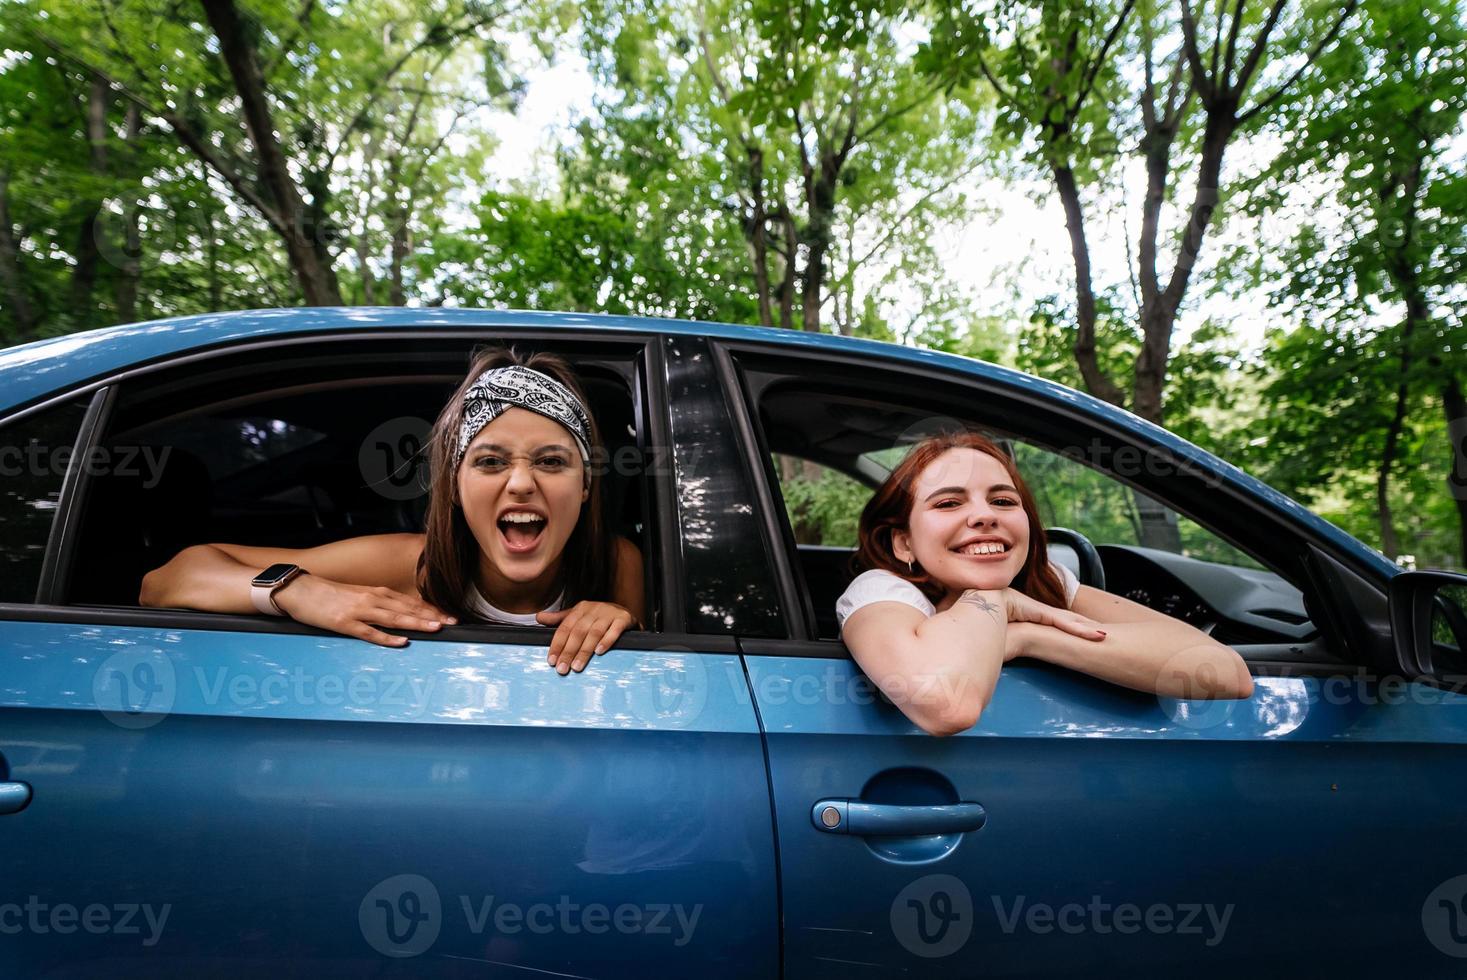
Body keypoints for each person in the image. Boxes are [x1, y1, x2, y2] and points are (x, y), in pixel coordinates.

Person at [140, 347, 645, 674]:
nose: (520, 483)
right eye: (490, 461)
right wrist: (295, 590)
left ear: (584, 488)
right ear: (453, 487)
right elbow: (167, 580)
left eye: (552, 462)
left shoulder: (615, 563)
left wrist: (619, 620)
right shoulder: (404, 564)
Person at [836, 431, 1254, 736]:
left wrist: (1029, 638)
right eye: (948, 503)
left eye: (1003, 501)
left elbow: (1226, 672)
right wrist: (994, 600)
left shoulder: (1045, 584)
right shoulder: (881, 592)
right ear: (903, 541)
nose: (985, 516)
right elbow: (947, 705)